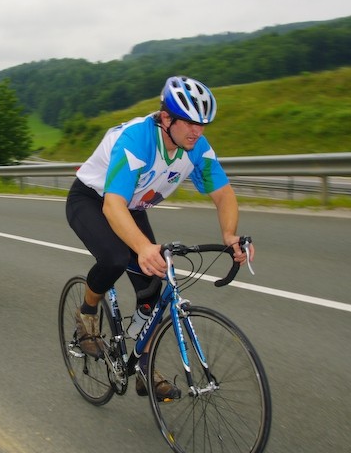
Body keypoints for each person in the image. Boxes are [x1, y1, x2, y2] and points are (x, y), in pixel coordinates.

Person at [65, 75, 254, 401]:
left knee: (152, 290)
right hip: (93, 200)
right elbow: (112, 205)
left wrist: (229, 233)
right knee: (114, 258)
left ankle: (142, 367)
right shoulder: (137, 140)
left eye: (203, 124)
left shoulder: (196, 149)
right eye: (190, 123)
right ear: (166, 118)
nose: (198, 131)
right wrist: (142, 248)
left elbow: (224, 195)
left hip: (132, 205)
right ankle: (87, 314)